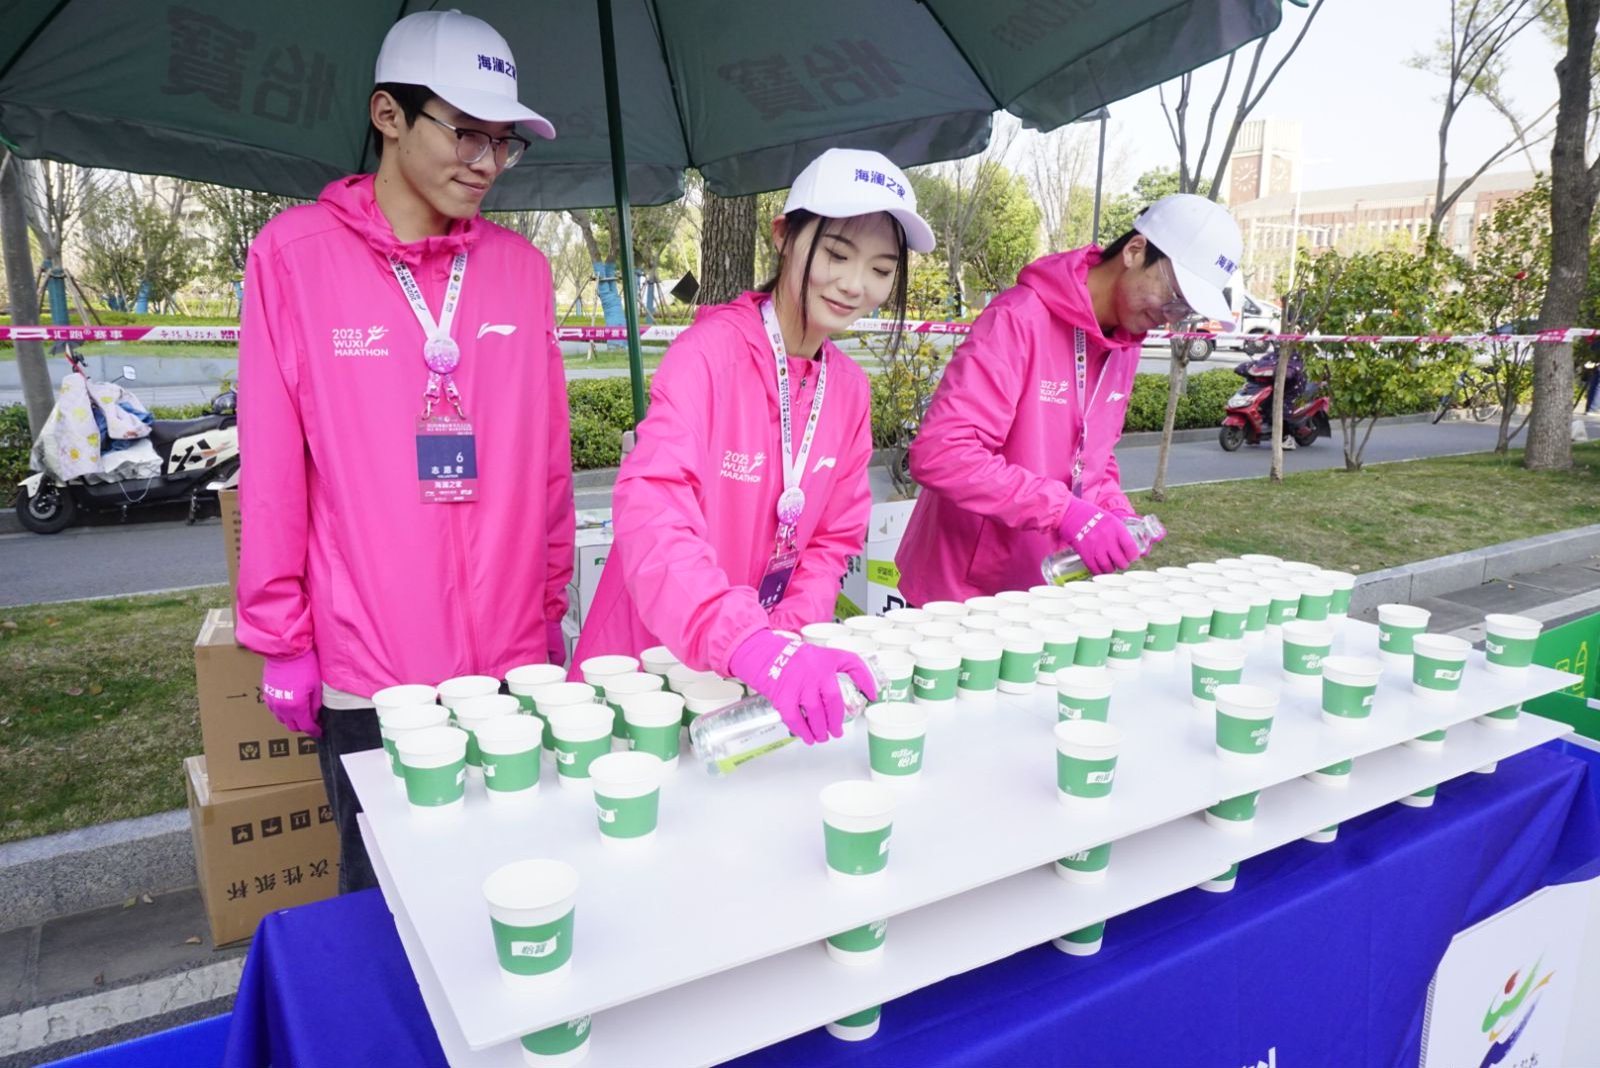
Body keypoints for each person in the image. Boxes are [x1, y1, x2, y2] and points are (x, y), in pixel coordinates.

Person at [235, 10, 574, 894]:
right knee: (386, 892)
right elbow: (272, 470)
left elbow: (547, 459)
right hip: (372, 666)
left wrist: (549, 603)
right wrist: (281, 638)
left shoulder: (520, 271)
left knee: (513, 875)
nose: (486, 161)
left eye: (503, 143)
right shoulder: (294, 258)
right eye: (466, 133)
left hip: (510, 658)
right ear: (388, 114)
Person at [572, 148, 935, 746]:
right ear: (784, 237)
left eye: (880, 268)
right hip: (647, 669)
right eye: (837, 254)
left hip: (756, 673)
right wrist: (745, 640)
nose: (855, 285)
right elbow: (654, 511)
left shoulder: (849, 390)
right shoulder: (707, 355)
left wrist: (783, 639)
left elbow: (832, 540)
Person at [896, 194, 1242, 604]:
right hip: (960, 590)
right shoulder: (1018, 318)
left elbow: (1091, 457)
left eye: (1184, 309)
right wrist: (1064, 511)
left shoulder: (1124, 345)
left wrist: (1115, 510)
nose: (1171, 315)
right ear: (1135, 251)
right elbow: (943, 453)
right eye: (1174, 295)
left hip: (1042, 585)